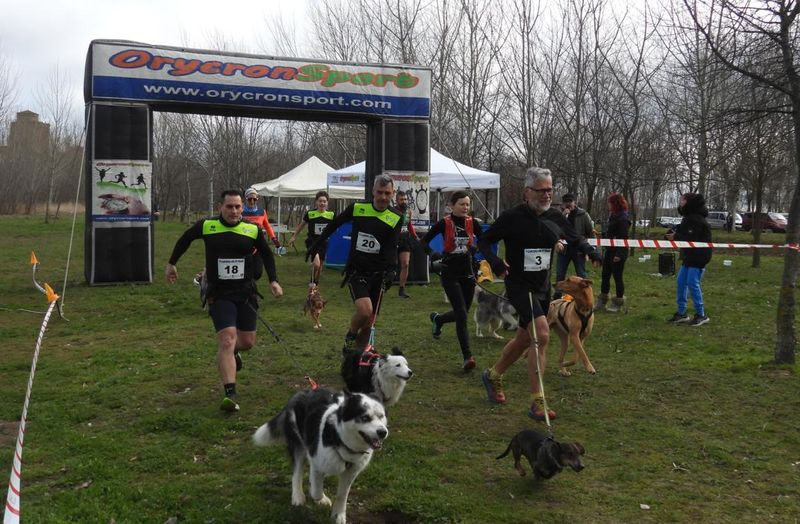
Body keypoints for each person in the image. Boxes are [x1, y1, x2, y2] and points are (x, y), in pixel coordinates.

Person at [477, 168, 601, 421]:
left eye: (550, 190)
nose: (547, 195)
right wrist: (495, 262)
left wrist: (592, 251)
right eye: (541, 190)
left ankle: (493, 375)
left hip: (543, 287)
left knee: (525, 338)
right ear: (527, 192)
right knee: (542, 335)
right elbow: (483, 241)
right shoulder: (512, 217)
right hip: (519, 285)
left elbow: (575, 238)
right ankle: (538, 403)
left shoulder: (555, 216)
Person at [165, 189, 283, 412]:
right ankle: (230, 393)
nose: (234, 211)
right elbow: (186, 238)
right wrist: (172, 263)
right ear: (221, 207)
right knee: (227, 339)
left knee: (247, 342)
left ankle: (231, 353)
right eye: (229, 206)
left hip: (245, 293)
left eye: (238, 206)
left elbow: (267, 255)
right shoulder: (208, 226)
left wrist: (273, 281)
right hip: (219, 294)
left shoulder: (252, 229)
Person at [310, 174, 402, 353]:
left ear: (393, 193)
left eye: (387, 193)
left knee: (370, 322)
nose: (383, 197)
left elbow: (392, 245)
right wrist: (317, 244)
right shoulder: (358, 208)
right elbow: (335, 224)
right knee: (365, 311)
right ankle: (351, 335)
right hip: (357, 271)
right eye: (380, 192)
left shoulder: (396, 216)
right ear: (373, 192)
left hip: (379, 273)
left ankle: (358, 357)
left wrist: (392, 268)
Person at [421, 190, 483, 371]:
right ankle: (467, 356)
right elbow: (423, 242)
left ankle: (439, 320)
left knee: (461, 312)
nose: (465, 208)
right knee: (462, 314)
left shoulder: (473, 224)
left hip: (468, 272)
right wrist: (433, 255)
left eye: (468, 205)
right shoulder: (444, 223)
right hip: (450, 273)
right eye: (462, 204)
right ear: (452, 205)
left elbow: (485, 241)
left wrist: (476, 248)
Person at [666, 193, 712, 326]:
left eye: (683, 200)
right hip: (689, 256)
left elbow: (691, 238)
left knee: (692, 283)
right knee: (681, 282)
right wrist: (673, 233)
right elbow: (684, 232)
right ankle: (682, 313)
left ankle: (701, 314)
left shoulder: (697, 219)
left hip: (699, 257)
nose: (680, 201)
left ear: (689, 202)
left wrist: (675, 237)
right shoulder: (688, 218)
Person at [288, 190, 335, 287]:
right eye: (320, 201)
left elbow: (336, 225)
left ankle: (315, 285)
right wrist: (294, 237)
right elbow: (301, 226)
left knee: (320, 267)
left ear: (327, 203)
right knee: (317, 264)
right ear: (316, 202)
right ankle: (312, 283)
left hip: (323, 242)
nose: (322, 203)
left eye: (324, 201)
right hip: (312, 242)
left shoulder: (331, 215)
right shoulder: (310, 214)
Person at [595, 193, 631, 313]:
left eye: (610, 203)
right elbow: (611, 234)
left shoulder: (623, 219)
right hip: (610, 250)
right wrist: (603, 236)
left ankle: (618, 302)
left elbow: (623, 238)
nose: (608, 205)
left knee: (617, 277)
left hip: (619, 252)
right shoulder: (613, 216)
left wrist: (619, 255)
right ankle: (602, 301)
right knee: (605, 275)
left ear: (615, 203)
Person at [554, 193, 594, 297]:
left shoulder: (583, 214)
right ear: (562, 204)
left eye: (570, 202)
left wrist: (588, 251)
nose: (568, 204)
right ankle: (557, 298)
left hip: (579, 250)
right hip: (564, 250)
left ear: (574, 202)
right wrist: (563, 216)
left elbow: (590, 232)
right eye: (566, 202)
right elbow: (554, 229)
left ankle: (586, 297)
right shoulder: (559, 215)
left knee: (582, 275)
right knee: (560, 275)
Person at [395, 191, 419, 298]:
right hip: (393, 240)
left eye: (405, 199)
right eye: (401, 199)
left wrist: (415, 236)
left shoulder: (408, 211)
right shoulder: (392, 211)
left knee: (405, 264)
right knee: (390, 264)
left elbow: (409, 225)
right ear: (396, 201)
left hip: (405, 239)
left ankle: (402, 290)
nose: (404, 201)